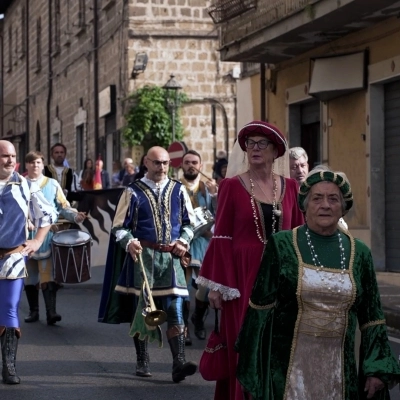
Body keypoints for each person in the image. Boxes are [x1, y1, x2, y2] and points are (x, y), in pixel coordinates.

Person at [236, 166, 400, 399]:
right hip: (286, 371)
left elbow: (371, 317)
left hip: (341, 370)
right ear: (304, 205)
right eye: (317, 198)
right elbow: (260, 311)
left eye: (333, 199)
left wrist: (376, 367)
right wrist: (254, 371)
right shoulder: (282, 245)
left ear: (343, 207)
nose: (325, 205)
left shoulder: (360, 252)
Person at [196, 121, 304, 400]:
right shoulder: (232, 186)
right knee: (246, 344)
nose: (254, 149)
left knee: (280, 344)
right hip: (243, 277)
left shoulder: (291, 188)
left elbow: (299, 235)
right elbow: (221, 236)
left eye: (261, 144)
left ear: (276, 151)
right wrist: (218, 285)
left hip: (283, 278)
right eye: (250, 144)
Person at [98, 146, 197, 383]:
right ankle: (142, 359)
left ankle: (178, 362)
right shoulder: (132, 192)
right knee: (142, 310)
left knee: (175, 309)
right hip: (142, 258)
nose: (161, 167)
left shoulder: (178, 190)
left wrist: (184, 240)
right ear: (146, 162)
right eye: (156, 163)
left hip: (170, 258)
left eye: (164, 163)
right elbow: (119, 226)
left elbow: (189, 222)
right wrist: (129, 241)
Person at [0, 140, 57, 385]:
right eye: (5, 156)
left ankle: (9, 366)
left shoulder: (24, 185)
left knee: (10, 309)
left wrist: (37, 241)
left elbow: (47, 214)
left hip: (12, 256)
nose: (10, 160)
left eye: (13, 156)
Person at [23, 151, 86, 326]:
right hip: (25, 237)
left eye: (38, 162)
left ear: (42, 165)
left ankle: (51, 312)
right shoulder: (20, 184)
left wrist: (76, 217)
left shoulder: (52, 184)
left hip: (47, 236)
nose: (35, 165)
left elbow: (63, 206)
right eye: (31, 162)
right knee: (30, 277)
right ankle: (33, 311)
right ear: (26, 165)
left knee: (47, 274)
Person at [180, 150, 218, 345]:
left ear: (201, 166)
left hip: (205, 244)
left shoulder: (207, 188)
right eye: (187, 162)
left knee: (204, 287)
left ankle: (198, 319)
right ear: (182, 165)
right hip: (184, 243)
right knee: (183, 288)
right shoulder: (175, 187)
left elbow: (219, 214)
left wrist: (215, 196)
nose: (191, 165)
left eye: (195, 162)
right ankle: (183, 327)